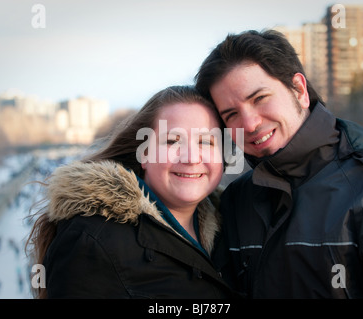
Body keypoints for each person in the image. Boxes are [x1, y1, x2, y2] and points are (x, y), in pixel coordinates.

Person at [195, 29, 363, 298]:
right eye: (231, 114)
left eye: (259, 98)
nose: (250, 124)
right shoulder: (235, 201)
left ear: (299, 89)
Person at [26, 85, 233, 298]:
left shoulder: (232, 222)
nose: (191, 158)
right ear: (144, 153)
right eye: (172, 141)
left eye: (206, 142)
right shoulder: (91, 240)